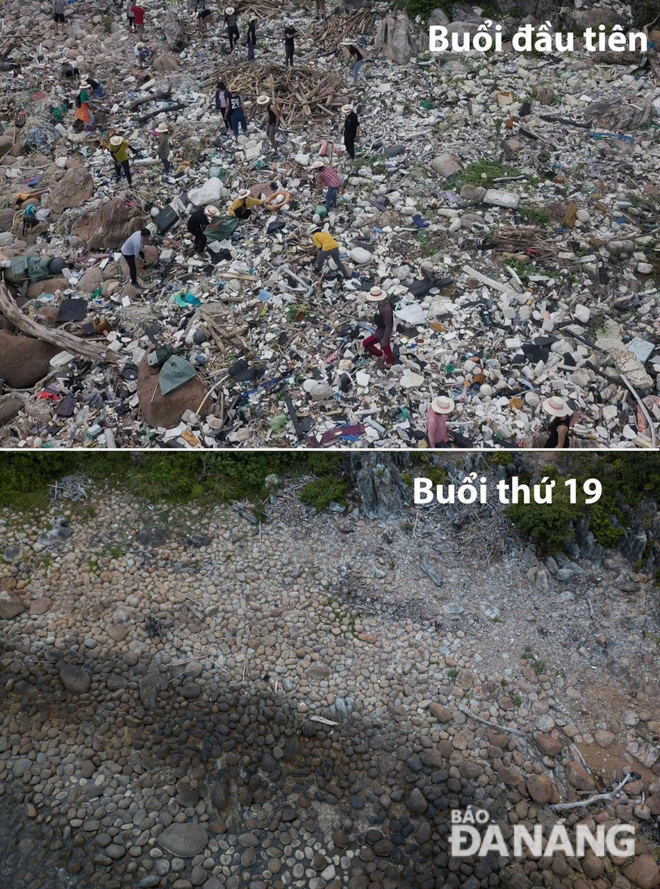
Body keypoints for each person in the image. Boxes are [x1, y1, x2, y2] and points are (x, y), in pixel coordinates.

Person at [362, 285, 394, 366]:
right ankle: (385, 358)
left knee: (367, 343)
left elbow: (388, 326)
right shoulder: (383, 303)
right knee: (385, 347)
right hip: (381, 329)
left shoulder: (386, 309)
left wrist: (384, 338)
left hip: (383, 331)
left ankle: (388, 362)